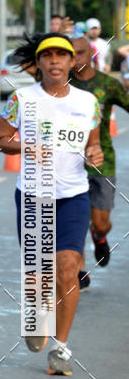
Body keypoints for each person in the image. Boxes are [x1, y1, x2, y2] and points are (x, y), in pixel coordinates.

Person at [0, 33, 103, 376]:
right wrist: (25, 147)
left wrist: (94, 154)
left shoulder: (88, 103)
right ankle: (36, 311)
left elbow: (93, 147)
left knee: (68, 268)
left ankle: (61, 349)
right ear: (38, 64)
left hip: (73, 195)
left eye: (62, 55)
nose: (55, 60)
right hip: (32, 194)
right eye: (48, 55)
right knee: (39, 276)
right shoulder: (22, 99)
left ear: (73, 62)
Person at [70, 35, 129, 288]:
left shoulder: (108, 84)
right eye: (70, 55)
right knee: (76, 219)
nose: (75, 60)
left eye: (80, 53)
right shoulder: (62, 84)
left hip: (102, 162)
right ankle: (80, 271)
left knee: (100, 222)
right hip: (70, 165)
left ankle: (100, 237)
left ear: (91, 55)